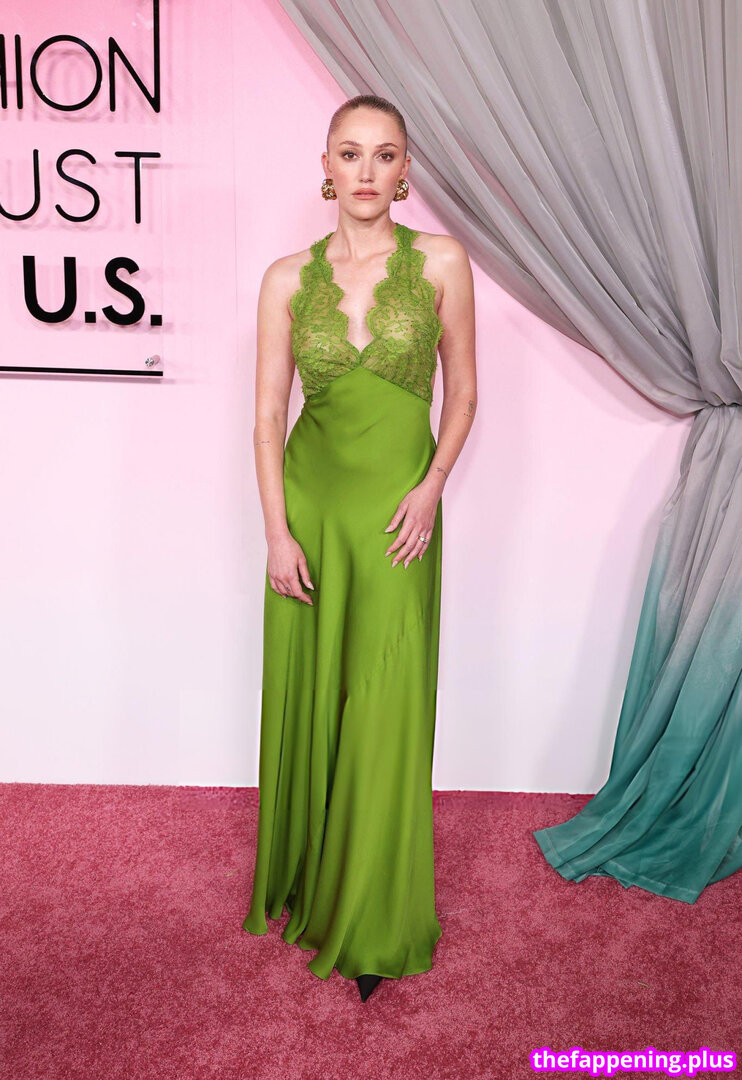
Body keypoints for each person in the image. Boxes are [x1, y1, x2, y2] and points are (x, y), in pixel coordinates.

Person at [242, 94, 477, 1002]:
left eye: (385, 154)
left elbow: (463, 395)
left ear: (406, 170)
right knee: (315, 691)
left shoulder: (444, 262)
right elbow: (269, 416)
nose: (367, 170)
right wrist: (276, 531)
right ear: (327, 167)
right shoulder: (284, 279)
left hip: (396, 515)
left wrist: (431, 486)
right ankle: (312, 879)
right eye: (351, 153)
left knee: (385, 699)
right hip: (310, 507)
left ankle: (374, 917)